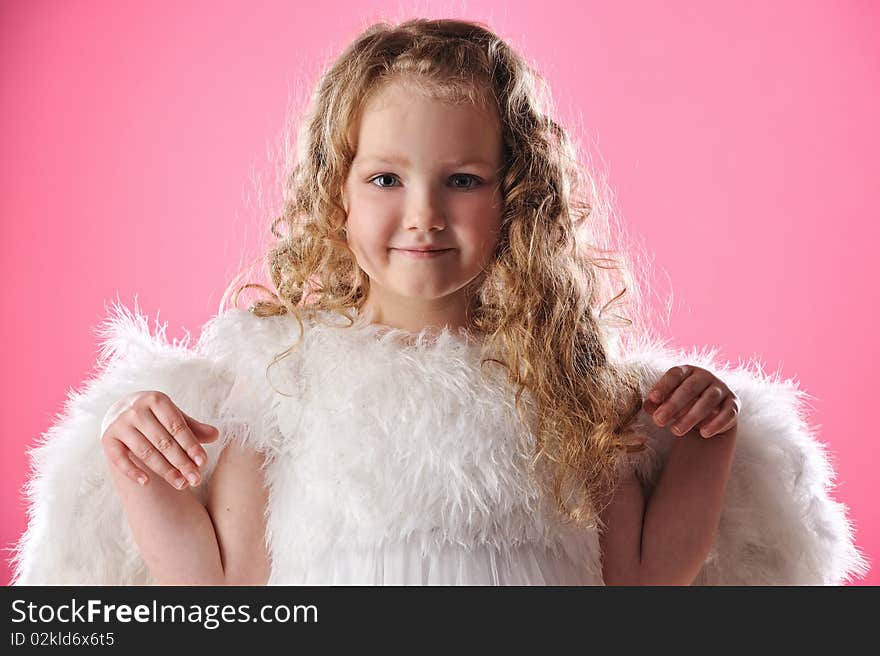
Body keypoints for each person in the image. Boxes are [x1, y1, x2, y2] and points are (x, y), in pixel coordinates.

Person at [11, 18, 868, 586]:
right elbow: (227, 591)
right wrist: (137, 473)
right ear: (337, 193)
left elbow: (642, 584)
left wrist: (711, 440)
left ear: (516, 200)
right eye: (386, 177)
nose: (422, 213)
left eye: (462, 180)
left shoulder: (565, 387)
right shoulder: (282, 380)